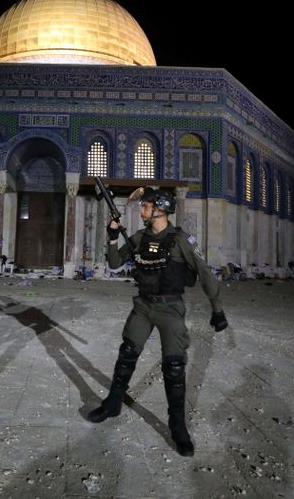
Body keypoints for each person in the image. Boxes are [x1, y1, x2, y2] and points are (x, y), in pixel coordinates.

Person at [87, 187, 229, 457]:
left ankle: (178, 426)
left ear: (160, 209)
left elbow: (205, 274)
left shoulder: (181, 240)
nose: (141, 211)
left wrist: (217, 310)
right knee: (127, 353)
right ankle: (113, 402)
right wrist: (113, 235)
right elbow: (115, 263)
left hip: (170, 309)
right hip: (143, 306)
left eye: (145, 207)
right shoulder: (139, 237)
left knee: (174, 368)